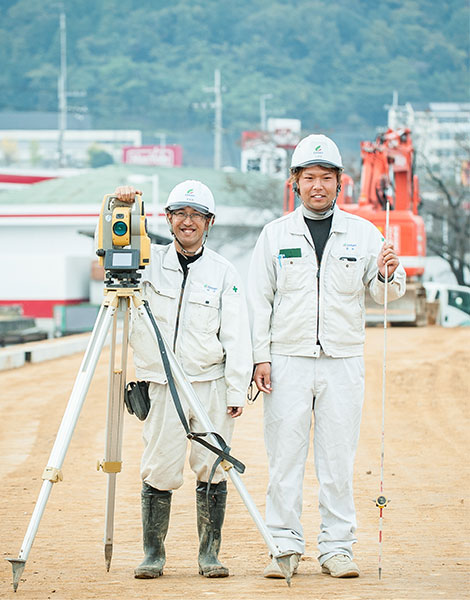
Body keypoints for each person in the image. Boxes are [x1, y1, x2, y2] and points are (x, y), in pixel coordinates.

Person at [247, 134, 406, 579]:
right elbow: (259, 301)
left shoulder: (363, 233)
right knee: (284, 460)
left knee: (338, 460)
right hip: (287, 361)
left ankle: (337, 548)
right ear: (294, 182)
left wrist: (389, 270)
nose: (318, 185)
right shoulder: (275, 236)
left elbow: (385, 292)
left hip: (342, 361)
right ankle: (284, 546)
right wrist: (260, 357)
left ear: (341, 183)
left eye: (327, 178)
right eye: (309, 177)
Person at [113, 180, 252, 579]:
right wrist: (126, 204)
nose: (187, 222)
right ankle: (153, 554)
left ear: (209, 222)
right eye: (179, 214)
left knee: (212, 467)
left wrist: (236, 388)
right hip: (161, 383)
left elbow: (237, 335)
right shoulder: (148, 262)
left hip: (209, 383)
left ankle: (209, 555)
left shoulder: (223, 272)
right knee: (159, 468)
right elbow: (117, 246)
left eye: (196, 215)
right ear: (168, 219)